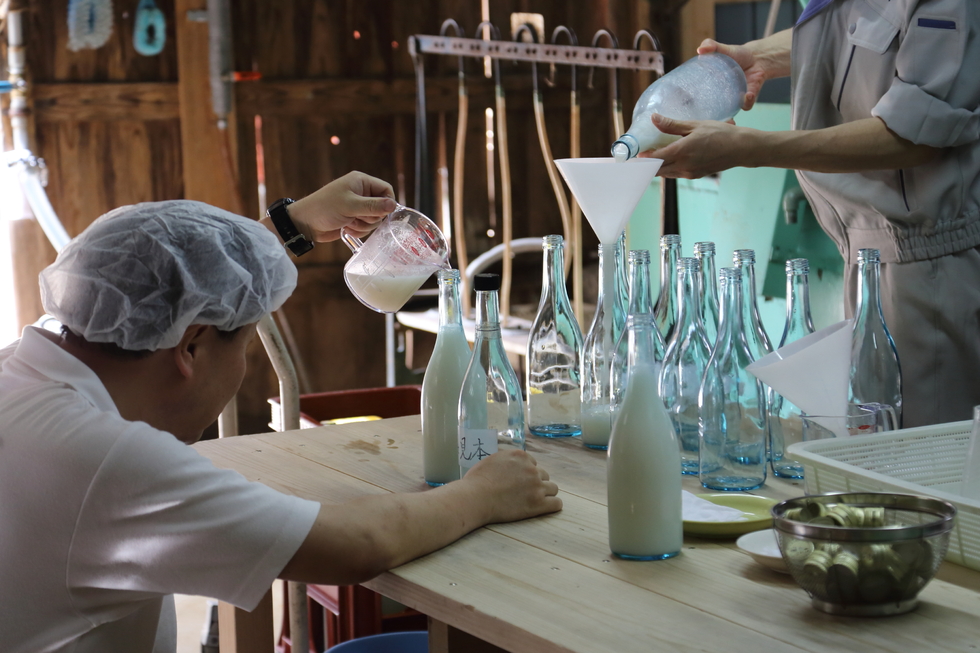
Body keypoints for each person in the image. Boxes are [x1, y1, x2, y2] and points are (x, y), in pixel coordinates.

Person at [0, 171, 562, 653]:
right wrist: (484, 493)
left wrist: (292, 224)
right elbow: (355, 544)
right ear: (191, 347)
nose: (244, 364)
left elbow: (165, 282)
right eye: (245, 344)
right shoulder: (108, 463)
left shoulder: (18, 377)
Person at [644, 1, 980, 428]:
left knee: (918, 451)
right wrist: (759, 56)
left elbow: (915, 133)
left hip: (930, 270)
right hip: (869, 260)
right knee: (875, 437)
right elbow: (858, 30)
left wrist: (751, 149)